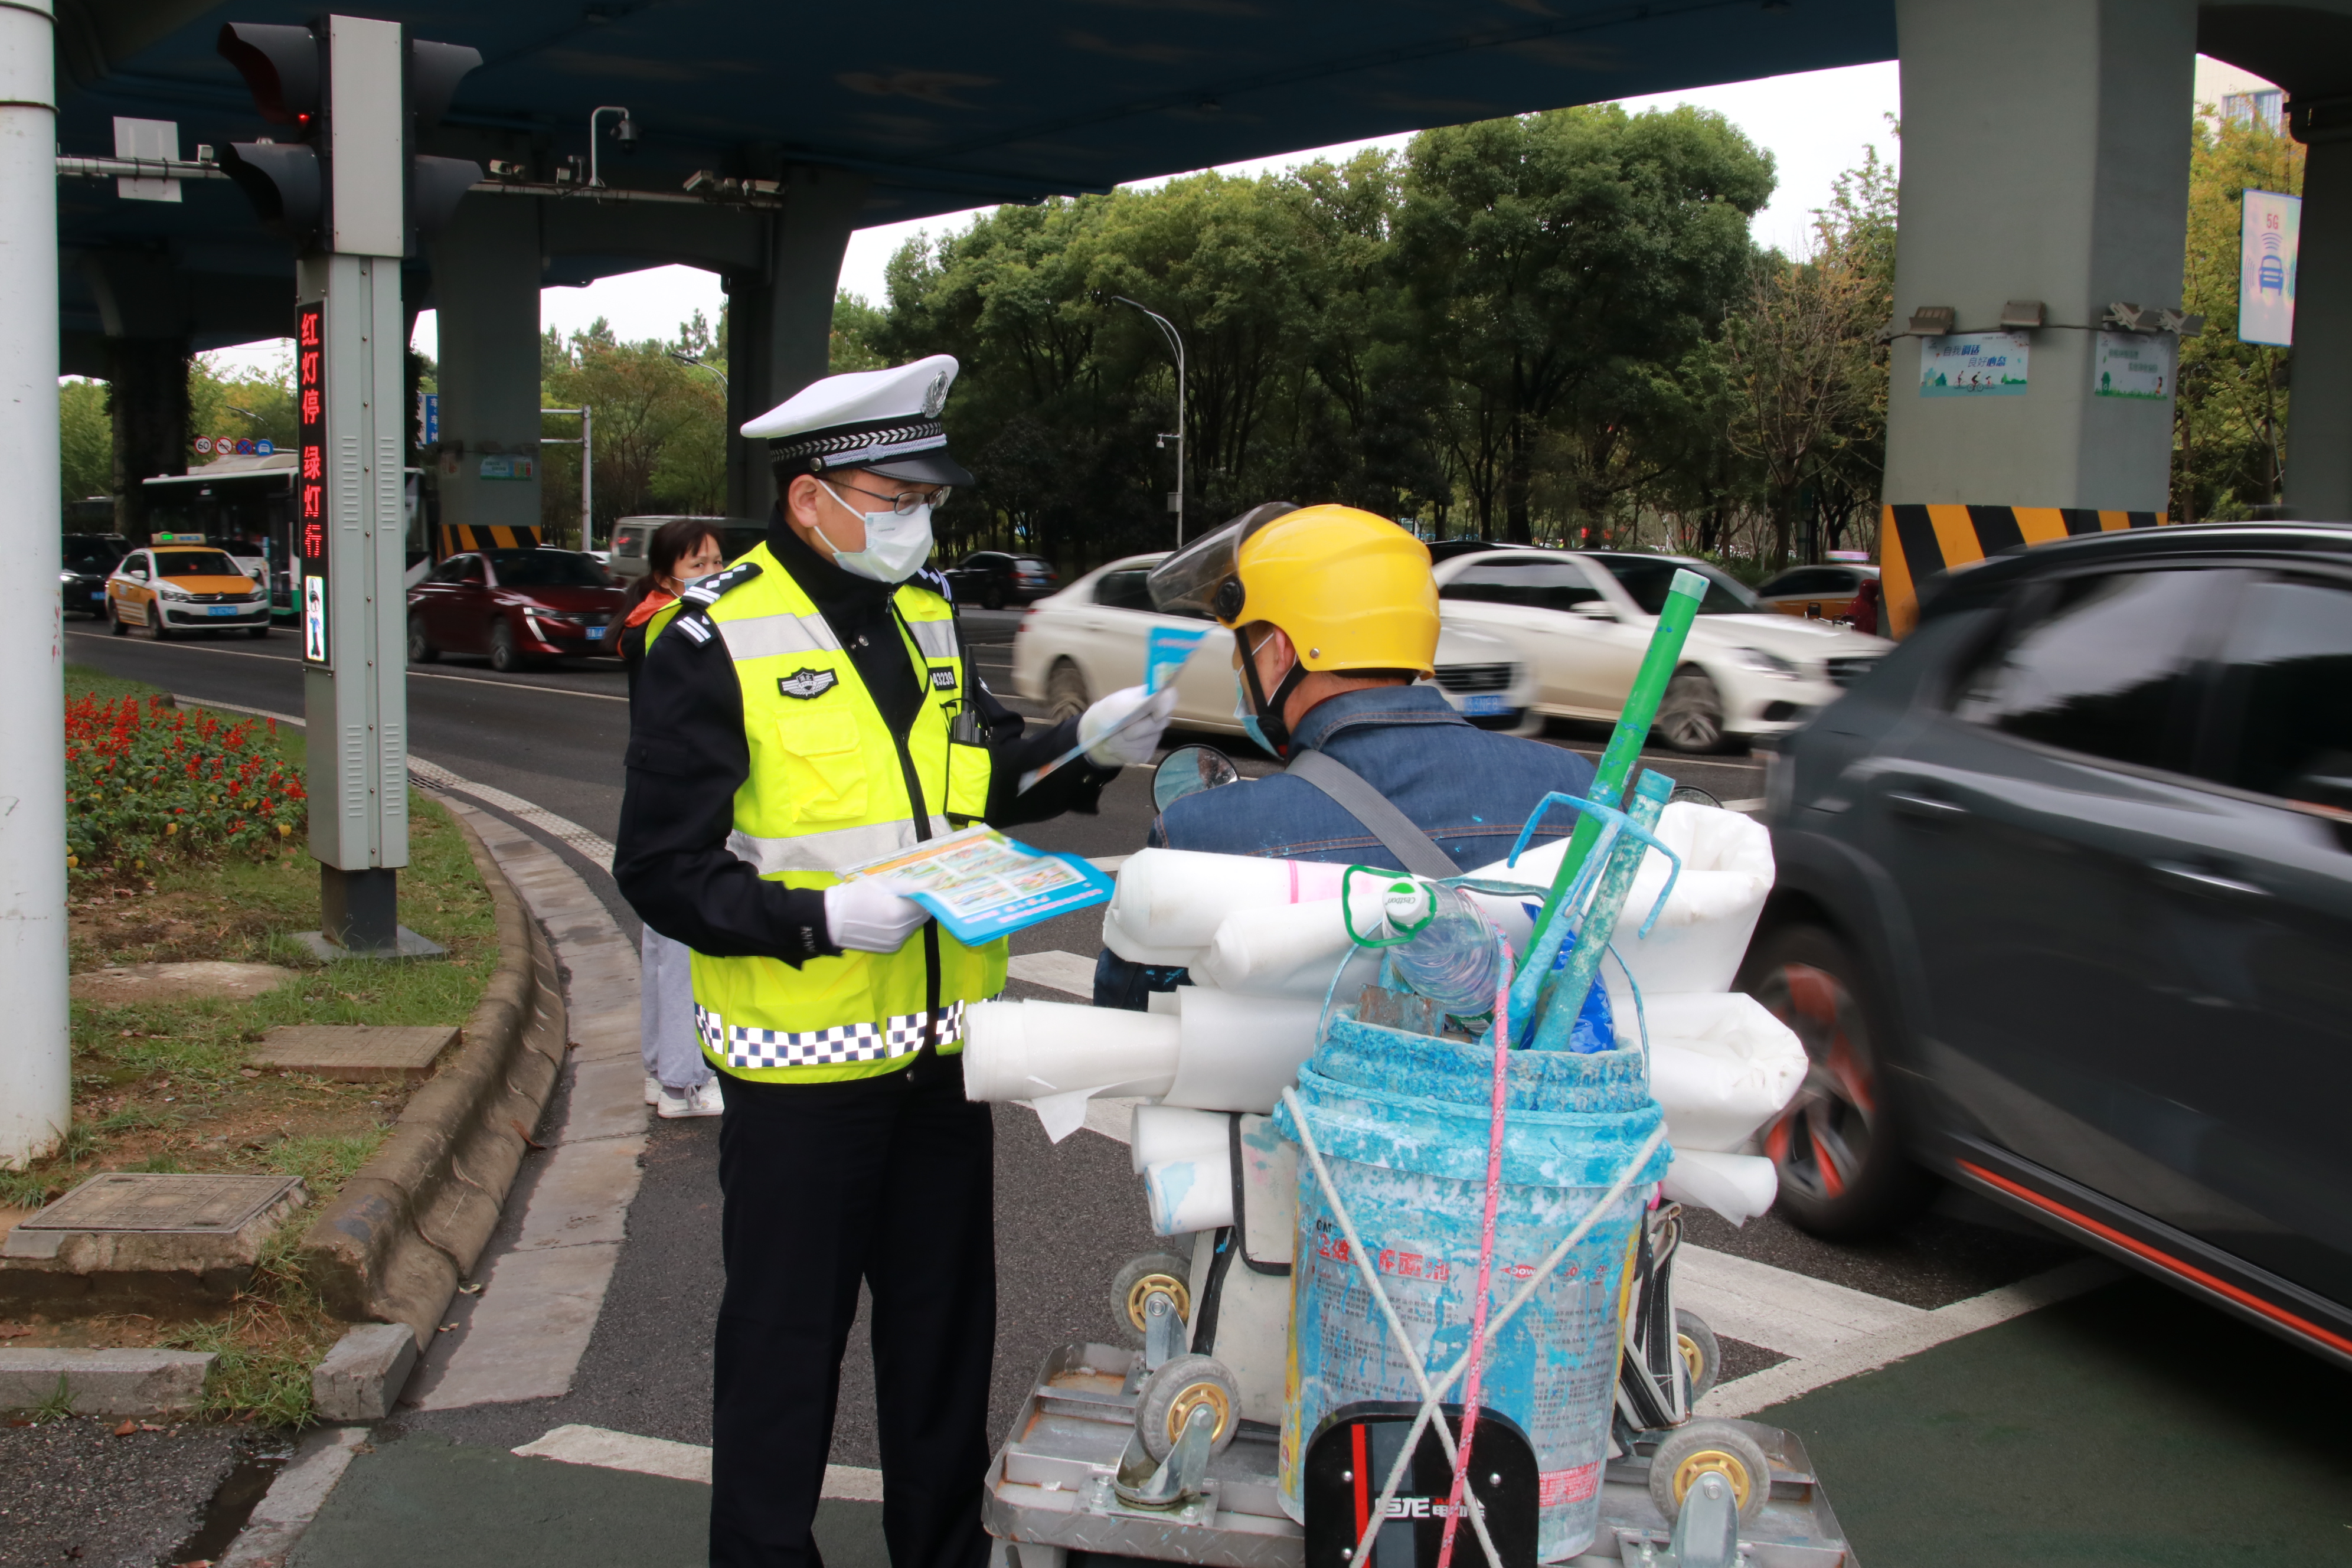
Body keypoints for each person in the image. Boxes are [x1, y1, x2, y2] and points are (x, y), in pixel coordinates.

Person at [612, 355, 1177, 1568]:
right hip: (802, 1060)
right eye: (893, 494)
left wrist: (1083, 750)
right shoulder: (711, 636)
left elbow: (963, 782)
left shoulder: (920, 616)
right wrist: (820, 918)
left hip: (938, 1052)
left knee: (942, 1339)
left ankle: (942, 1550)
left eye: (927, 498)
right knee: (783, 1342)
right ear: (812, 498)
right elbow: (662, 867)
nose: (917, 519)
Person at [1097, 503, 1600, 1007]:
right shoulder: (1577, 793)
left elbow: (1129, 1023)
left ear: (1282, 651)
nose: (1237, 665)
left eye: (1242, 643)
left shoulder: (1199, 837)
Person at [610, 518, 732, 1117]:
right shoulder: (676, 626)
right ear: (665, 576)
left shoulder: (648, 621)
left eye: (717, 561)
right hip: (690, 796)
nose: (714, 574)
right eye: (698, 566)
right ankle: (687, 1081)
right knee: (686, 942)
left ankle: (662, 1069)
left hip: (660, 795)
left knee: (664, 939)